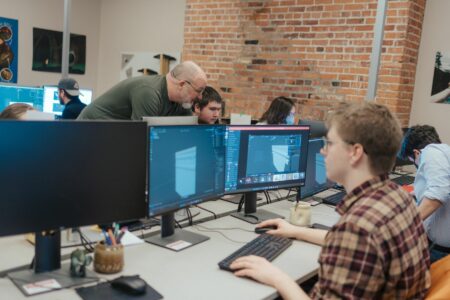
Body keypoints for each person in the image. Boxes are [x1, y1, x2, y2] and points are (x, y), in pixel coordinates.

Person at [230, 102, 430, 299]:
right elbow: (353, 243)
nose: (322, 151)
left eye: (329, 143)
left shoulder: (357, 227)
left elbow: (355, 237)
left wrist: (276, 277)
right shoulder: (397, 197)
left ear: (355, 152)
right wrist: (296, 231)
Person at [77, 61, 207, 120]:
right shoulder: (149, 92)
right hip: (90, 129)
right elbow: (142, 140)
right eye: (199, 90)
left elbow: (184, 133)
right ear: (182, 84)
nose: (200, 97)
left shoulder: (182, 102)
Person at [399, 125, 450, 262]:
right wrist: (414, 193)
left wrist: (405, 224)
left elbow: (439, 191)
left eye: (413, 162)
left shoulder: (430, 151)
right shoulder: (444, 151)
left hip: (441, 251)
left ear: (416, 153)